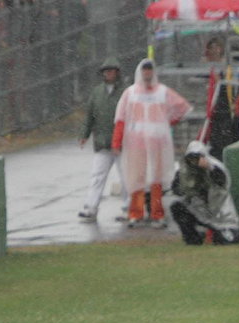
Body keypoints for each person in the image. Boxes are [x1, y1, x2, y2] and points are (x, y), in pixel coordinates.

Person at [113, 58, 191, 228]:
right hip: (136, 144)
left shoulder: (162, 92)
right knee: (136, 179)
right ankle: (136, 213)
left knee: (156, 180)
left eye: (150, 70)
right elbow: (121, 118)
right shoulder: (131, 93)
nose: (147, 74)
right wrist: (117, 141)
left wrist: (166, 122)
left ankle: (157, 213)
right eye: (145, 70)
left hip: (157, 145)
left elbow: (181, 107)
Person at [76, 57, 125, 222]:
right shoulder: (97, 92)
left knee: (126, 176)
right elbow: (90, 115)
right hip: (102, 143)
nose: (108, 74)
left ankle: (129, 208)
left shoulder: (127, 91)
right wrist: (84, 134)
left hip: (123, 144)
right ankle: (91, 207)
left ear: (117, 72)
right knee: (97, 175)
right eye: (106, 71)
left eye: (111, 71)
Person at [168, 140, 239, 244]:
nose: (194, 162)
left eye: (196, 158)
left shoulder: (216, 167)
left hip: (221, 215)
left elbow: (221, 180)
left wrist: (209, 167)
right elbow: (177, 190)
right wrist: (183, 181)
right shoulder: (186, 171)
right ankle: (193, 238)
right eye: (191, 159)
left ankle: (222, 232)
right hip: (201, 212)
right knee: (177, 207)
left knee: (224, 241)